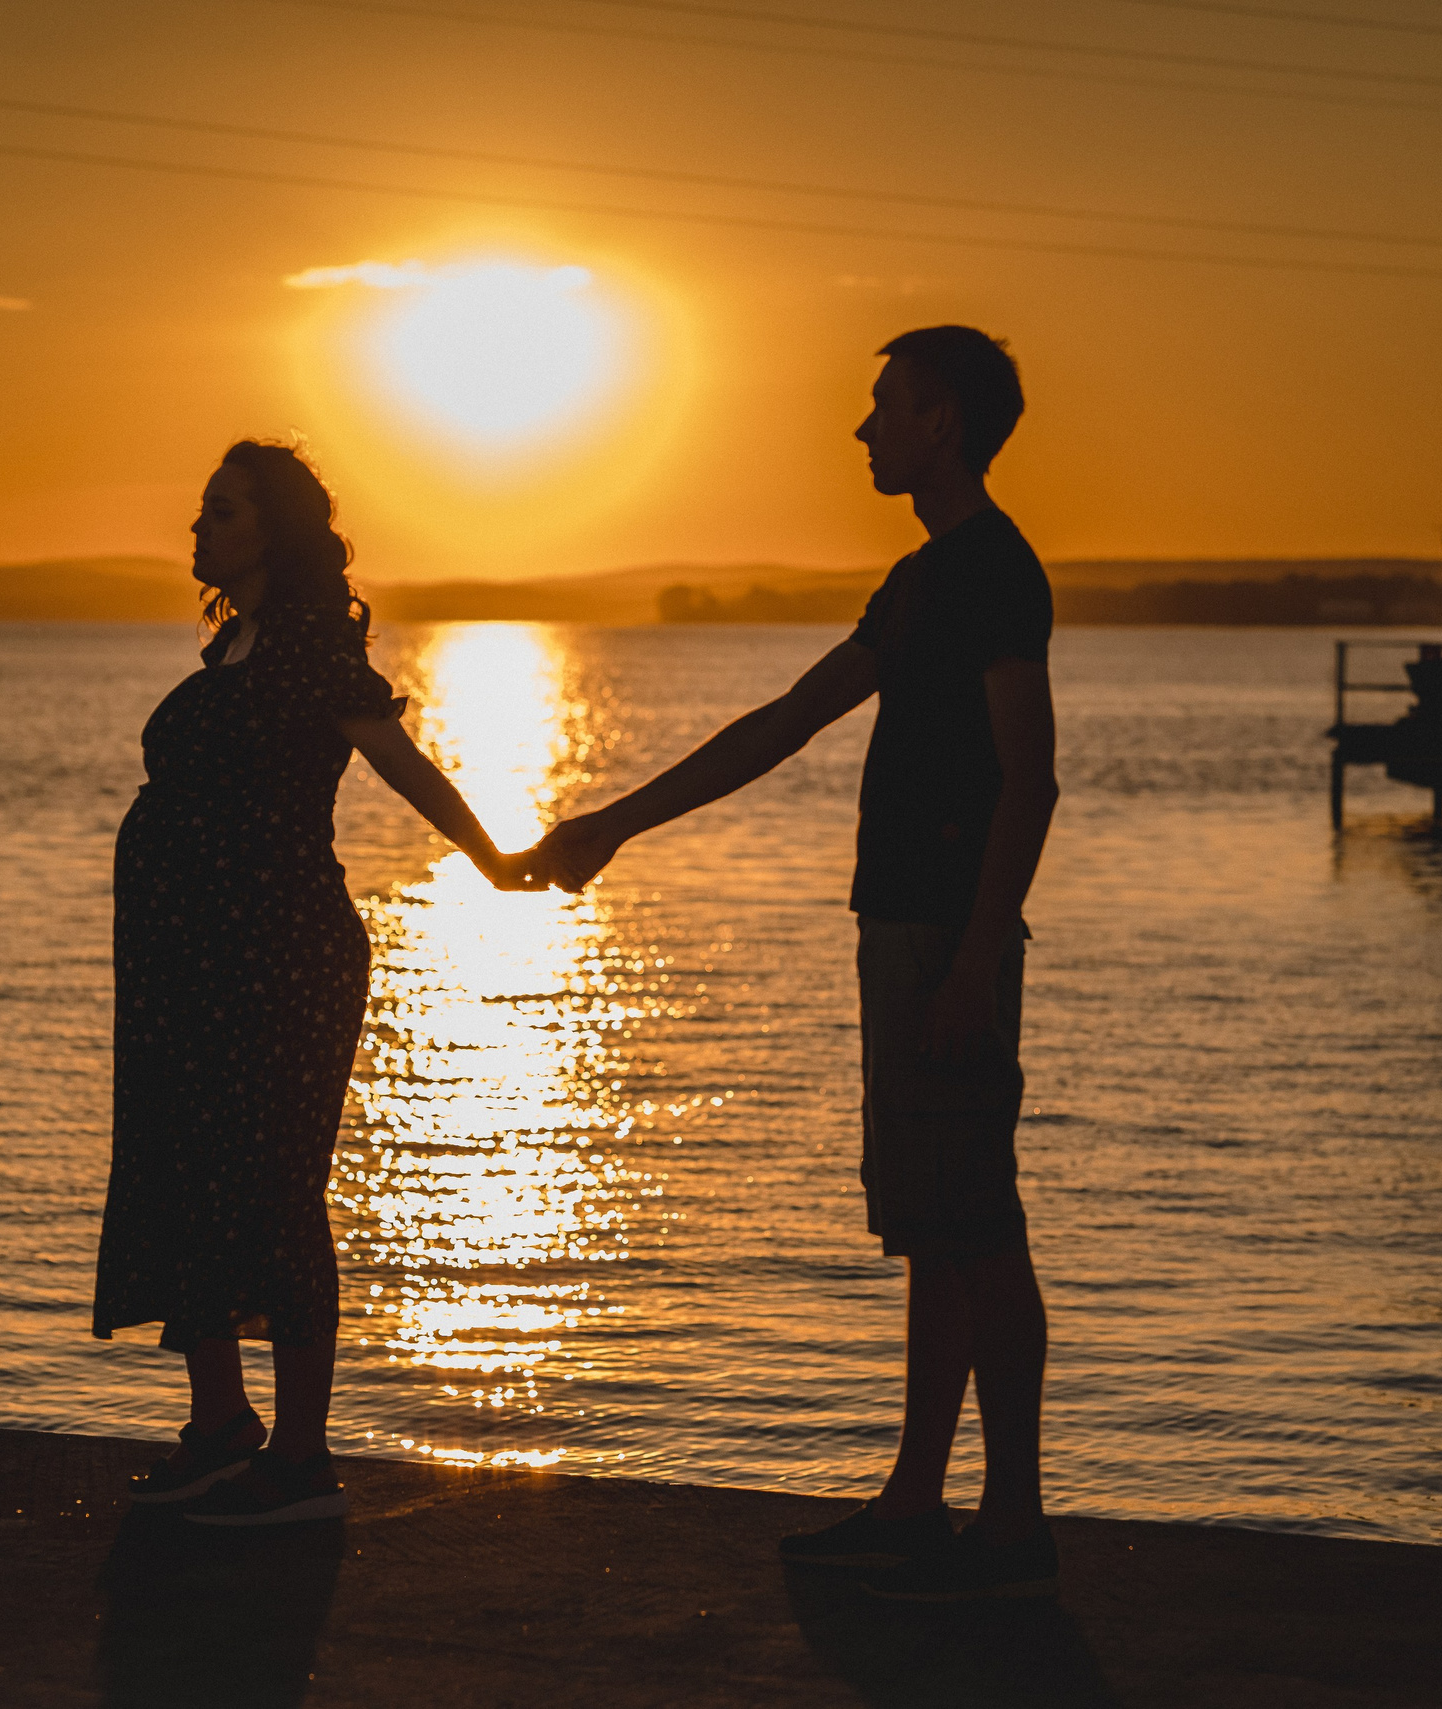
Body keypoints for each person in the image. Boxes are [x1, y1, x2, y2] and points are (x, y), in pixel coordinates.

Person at [533, 327, 1060, 1600]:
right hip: (905, 931)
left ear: (942, 419)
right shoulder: (923, 578)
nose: (863, 428)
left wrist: (971, 963)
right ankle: (919, 1500)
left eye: (884, 407)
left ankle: (1013, 1518)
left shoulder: (991, 569)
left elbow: (1030, 780)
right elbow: (782, 723)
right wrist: (612, 823)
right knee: (935, 1225)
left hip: (946, 938)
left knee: (977, 1219)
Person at [93, 440, 540, 1525]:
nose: (198, 527)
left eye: (223, 511)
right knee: (184, 1169)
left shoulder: (304, 647)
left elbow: (402, 762)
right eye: (202, 508)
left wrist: (493, 858)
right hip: (183, 964)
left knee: (275, 1184)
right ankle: (217, 1427)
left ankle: (299, 1459)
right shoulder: (233, 643)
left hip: (279, 953)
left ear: (272, 533)